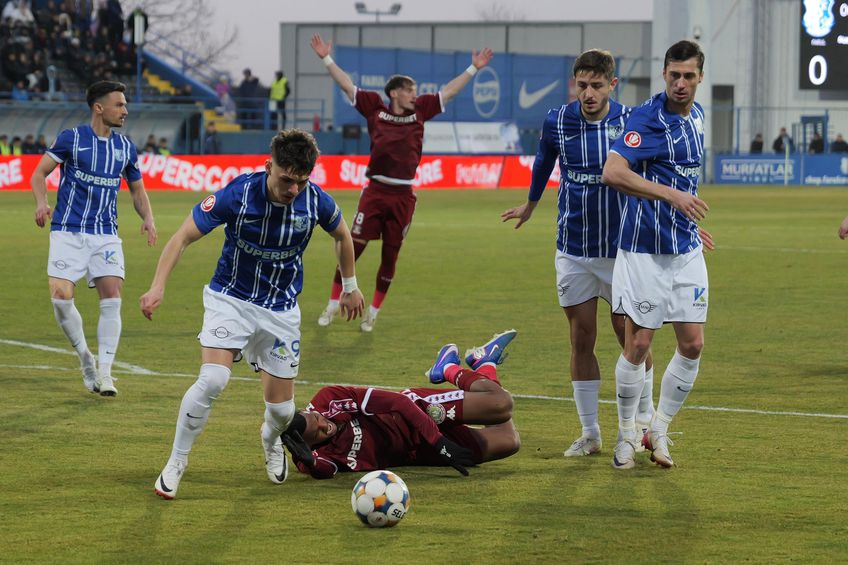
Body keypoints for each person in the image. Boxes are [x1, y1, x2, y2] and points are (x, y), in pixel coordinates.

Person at [140, 129, 365, 500]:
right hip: (231, 299)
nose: (292, 189)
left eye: (301, 182)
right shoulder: (238, 195)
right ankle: (176, 462)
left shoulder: (315, 202)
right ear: (268, 167)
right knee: (212, 380)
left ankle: (270, 436)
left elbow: (343, 235)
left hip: (280, 312)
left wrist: (351, 284)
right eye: (285, 179)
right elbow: (182, 237)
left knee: (282, 411)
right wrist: (158, 285)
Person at [310, 32, 493, 332]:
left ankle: (373, 313)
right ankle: (332, 304)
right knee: (353, 248)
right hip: (376, 191)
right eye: (410, 91)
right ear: (395, 93)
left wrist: (473, 68)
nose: (414, 95)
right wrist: (326, 58)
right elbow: (346, 84)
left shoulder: (421, 110)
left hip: (403, 195)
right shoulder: (374, 107)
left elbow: (449, 92)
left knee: (390, 255)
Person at [601, 40, 710, 470]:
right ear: (663, 74)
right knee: (639, 344)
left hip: (685, 248)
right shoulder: (645, 119)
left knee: (693, 343)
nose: (680, 84)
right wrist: (670, 196)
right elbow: (613, 171)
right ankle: (627, 434)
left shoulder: (698, 118)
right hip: (644, 250)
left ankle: (658, 428)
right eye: (673, 75)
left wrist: (693, 219)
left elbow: (687, 183)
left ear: (700, 77)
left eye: (688, 76)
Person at [31, 80, 157, 397]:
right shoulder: (71, 139)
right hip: (68, 230)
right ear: (99, 107)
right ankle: (86, 359)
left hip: (105, 235)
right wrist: (41, 202)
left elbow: (137, 190)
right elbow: (38, 173)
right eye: (119, 105)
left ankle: (106, 372)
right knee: (60, 298)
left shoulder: (126, 147)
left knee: (112, 296)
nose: (125, 110)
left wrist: (149, 218)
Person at [283, 330, 521, 478]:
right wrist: (312, 463)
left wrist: (439, 442)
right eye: (319, 433)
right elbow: (327, 471)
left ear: (308, 411)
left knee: (501, 405)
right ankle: (484, 364)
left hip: (417, 412)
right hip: (415, 452)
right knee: (509, 442)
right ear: (308, 445)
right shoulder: (309, 457)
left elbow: (398, 402)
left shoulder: (329, 399)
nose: (326, 426)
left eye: (319, 421)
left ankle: (446, 368)